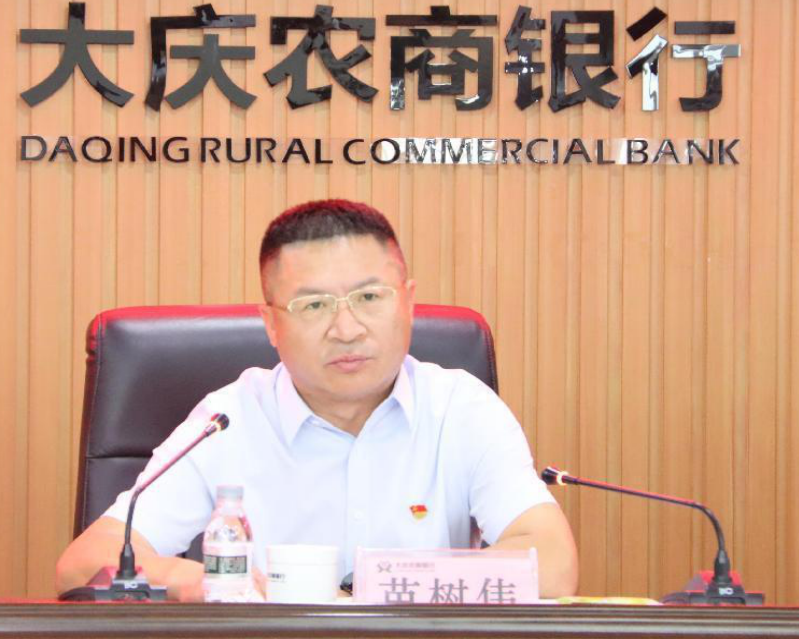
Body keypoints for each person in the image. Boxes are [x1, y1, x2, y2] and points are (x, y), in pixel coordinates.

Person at [56, 199, 578, 601]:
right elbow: (83, 565)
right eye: (313, 305)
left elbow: (552, 565)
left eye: (369, 297)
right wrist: (201, 581)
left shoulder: (461, 409)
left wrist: (381, 588)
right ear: (271, 324)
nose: (346, 329)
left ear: (408, 303)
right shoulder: (228, 419)